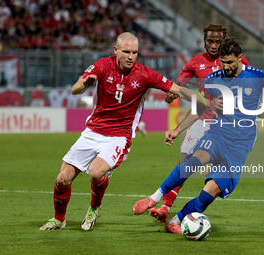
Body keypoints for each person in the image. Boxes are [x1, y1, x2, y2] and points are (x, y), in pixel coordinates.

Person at [133, 37, 264, 233]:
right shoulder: (212, 79)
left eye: (230, 62)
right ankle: (153, 198)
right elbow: (201, 107)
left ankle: (176, 220)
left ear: (240, 58)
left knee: (210, 192)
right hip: (218, 134)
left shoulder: (259, 76)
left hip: (241, 144)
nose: (226, 66)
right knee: (191, 163)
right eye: (223, 62)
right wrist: (179, 128)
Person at [39, 32, 200, 231]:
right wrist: (84, 85)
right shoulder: (102, 65)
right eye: (126, 52)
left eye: (135, 52)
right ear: (116, 51)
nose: (131, 56)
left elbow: (177, 89)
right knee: (62, 178)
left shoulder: (145, 74)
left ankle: (95, 207)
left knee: (96, 173)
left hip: (118, 136)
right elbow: (74, 89)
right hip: (93, 131)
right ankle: (59, 219)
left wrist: (199, 99)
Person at [147, 24, 251, 223]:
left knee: (215, 173)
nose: (213, 45)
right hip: (201, 119)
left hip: (227, 127)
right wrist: (171, 93)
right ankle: (165, 208)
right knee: (184, 164)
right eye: (210, 41)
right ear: (204, 41)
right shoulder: (195, 63)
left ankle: (192, 208)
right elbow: (179, 84)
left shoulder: (237, 60)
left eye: (218, 42)